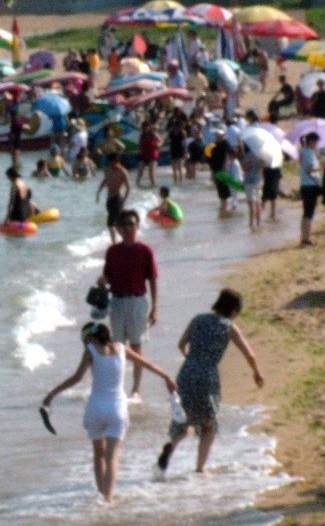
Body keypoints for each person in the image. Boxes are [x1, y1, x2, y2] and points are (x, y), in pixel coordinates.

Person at [41, 322, 178, 503]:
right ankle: (109, 499)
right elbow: (147, 364)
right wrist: (167, 377)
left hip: (96, 409)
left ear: (91, 337)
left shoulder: (90, 350)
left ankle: (101, 495)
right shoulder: (121, 348)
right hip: (117, 409)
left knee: (99, 454)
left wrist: (52, 394)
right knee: (112, 456)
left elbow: (76, 378)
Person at [156, 289, 264, 476]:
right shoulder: (227, 326)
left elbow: (181, 344)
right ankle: (200, 467)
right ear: (233, 310)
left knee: (185, 420)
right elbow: (249, 354)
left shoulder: (198, 319)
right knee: (209, 425)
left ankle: (171, 445)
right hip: (208, 377)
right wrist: (256, 372)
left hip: (187, 373)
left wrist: (192, 360)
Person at [99, 209, 157, 399]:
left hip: (137, 301)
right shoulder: (113, 251)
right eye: (123, 224)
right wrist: (103, 280)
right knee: (116, 346)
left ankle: (136, 389)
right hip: (116, 301)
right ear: (118, 228)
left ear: (138, 226)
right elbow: (108, 275)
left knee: (136, 345)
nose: (127, 228)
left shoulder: (145, 251)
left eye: (131, 223)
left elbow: (152, 279)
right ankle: (117, 387)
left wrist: (155, 308)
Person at [94, 157, 131, 243]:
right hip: (109, 200)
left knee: (112, 224)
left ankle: (116, 243)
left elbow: (128, 187)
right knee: (115, 224)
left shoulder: (122, 172)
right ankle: (124, 240)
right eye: (110, 163)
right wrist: (98, 193)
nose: (111, 165)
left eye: (113, 163)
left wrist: (124, 201)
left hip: (117, 199)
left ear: (117, 161)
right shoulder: (108, 170)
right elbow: (105, 181)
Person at [298, 132, 321, 246]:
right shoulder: (309, 153)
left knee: (306, 213)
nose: (317, 144)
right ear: (312, 142)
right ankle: (306, 239)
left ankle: (305, 238)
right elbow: (311, 170)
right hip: (310, 185)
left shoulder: (302, 152)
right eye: (316, 142)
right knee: (309, 213)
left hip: (304, 184)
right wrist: (323, 167)